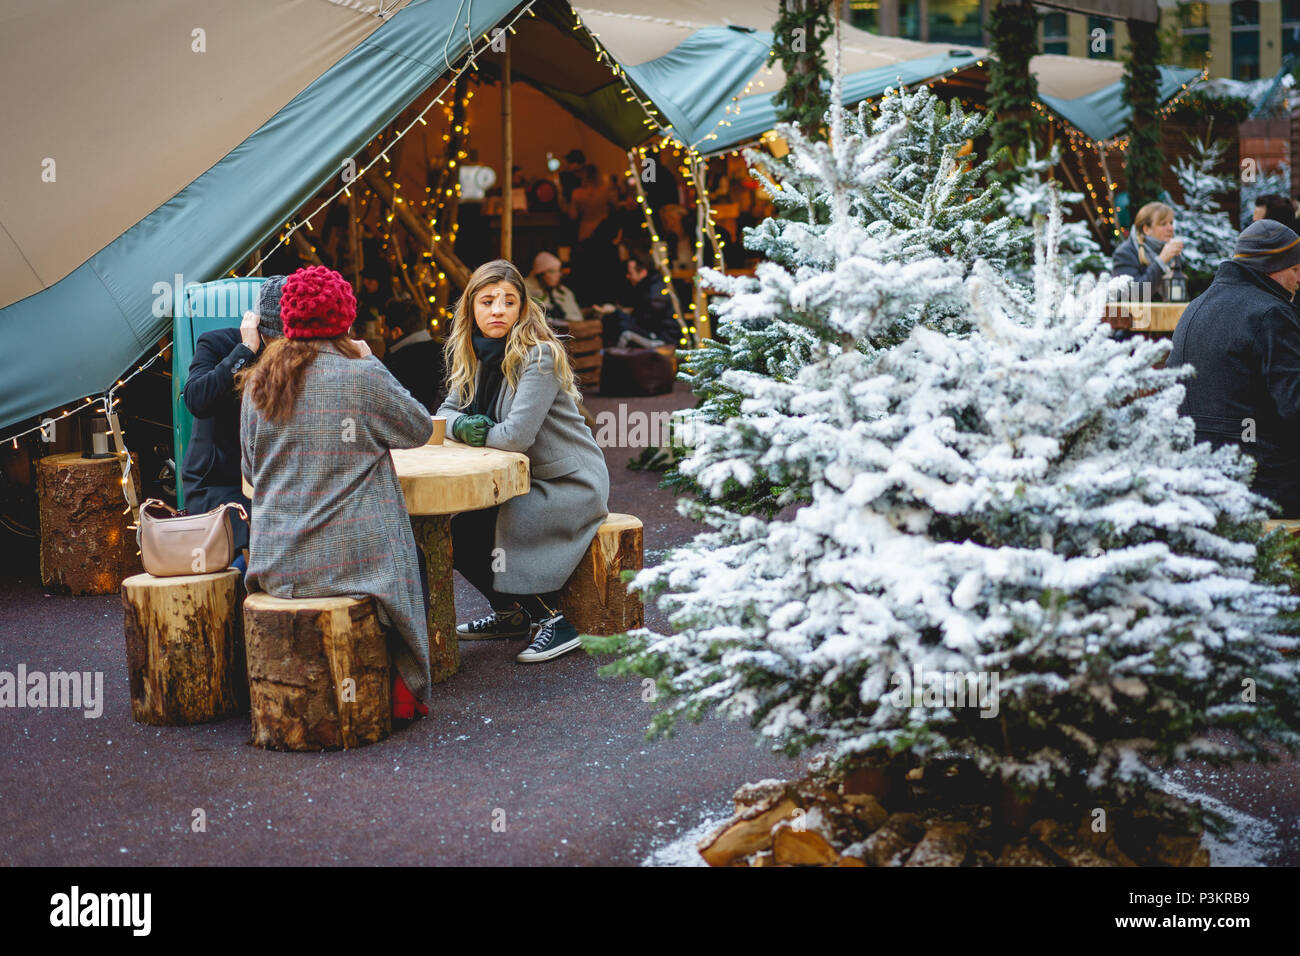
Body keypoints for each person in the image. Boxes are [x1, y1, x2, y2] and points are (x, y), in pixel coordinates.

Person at [238, 266, 435, 720]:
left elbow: (250, 468)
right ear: (346, 319)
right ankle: (405, 688)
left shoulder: (258, 384)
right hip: (354, 564)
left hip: (278, 563)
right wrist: (373, 361)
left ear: (286, 322)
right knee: (412, 556)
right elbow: (419, 429)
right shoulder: (361, 373)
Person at [436, 259, 610, 663]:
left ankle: (554, 622)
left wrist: (470, 429)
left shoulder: (539, 356)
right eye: (487, 301)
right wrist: (464, 427)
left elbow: (515, 437)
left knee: (482, 530)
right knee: (457, 531)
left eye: (508, 301)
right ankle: (509, 614)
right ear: (471, 309)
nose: (497, 310)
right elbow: (443, 413)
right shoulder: (476, 355)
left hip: (567, 481)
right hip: (524, 477)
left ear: (521, 310)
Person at [1167, 219, 1300, 516]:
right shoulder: (1271, 314)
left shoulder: (1196, 306)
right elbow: (1295, 407)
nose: (1299, 278)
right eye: (1295, 269)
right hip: (1263, 483)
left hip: (1197, 478)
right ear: (1272, 267)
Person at [179, 275, 287, 575]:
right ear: (258, 327)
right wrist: (244, 351)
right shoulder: (217, 343)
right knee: (258, 541)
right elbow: (197, 399)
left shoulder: (298, 353)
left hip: (275, 481)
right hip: (220, 484)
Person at [596, 251, 678, 348]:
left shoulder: (654, 294)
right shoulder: (648, 286)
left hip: (663, 339)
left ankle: (612, 359)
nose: (627, 276)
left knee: (623, 329)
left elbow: (641, 322)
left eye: (630, 273)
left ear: (643, 273)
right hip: (653, 332)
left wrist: (615, 311)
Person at [1112, 202, 1184, 302]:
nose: (1171, 229)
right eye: (1163, 224)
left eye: (1171, 223)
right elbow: (1135, 294)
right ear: (1146, 229)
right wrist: (1161, 261)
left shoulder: (1170, 250)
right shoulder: (1125, 253)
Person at [382, 297, 444, 412]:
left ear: (396, 332)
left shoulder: (395, 364)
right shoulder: (444, 353)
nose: (382, 334)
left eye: (384, 330)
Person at [524, 251, 583, 326]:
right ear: (541, 274)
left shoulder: (561, 291)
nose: (558, 275)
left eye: (558, 271)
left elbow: (575, 316)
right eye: (552, 272)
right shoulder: (527, 290)